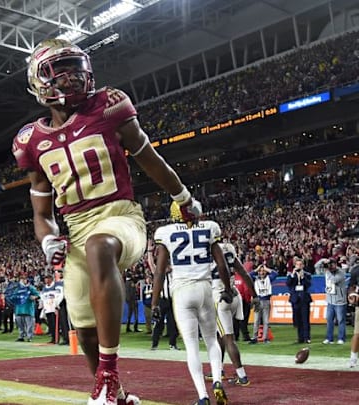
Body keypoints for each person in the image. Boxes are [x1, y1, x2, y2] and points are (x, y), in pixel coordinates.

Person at [13, 38, 202, 405]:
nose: (72, 75)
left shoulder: (109, 106)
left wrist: (183, 197)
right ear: (39, 81)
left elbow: (148, 157)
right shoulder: (30, 141)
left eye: (75, 66)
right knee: (83, 328)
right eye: (59, 69)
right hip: (76, 229)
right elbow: (42, 214)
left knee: (100, 246)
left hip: (120, 216)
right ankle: (115, 395)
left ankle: (108, 374)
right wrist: (49, 241)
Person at [151, 204, 233, 405]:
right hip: (205, 288)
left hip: (182, 291)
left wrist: (154, 303)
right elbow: (222, 265)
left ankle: (203, 397)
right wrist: (228, 290)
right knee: (212, 340)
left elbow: (160, 272)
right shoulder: (209, 227)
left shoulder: (166, 232)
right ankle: (216, 381)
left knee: (192, 347)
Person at [209, 242, 257, 386]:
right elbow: (243, 272)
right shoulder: (228, 247)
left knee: (229, 338)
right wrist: (255, 295)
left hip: (221, 296)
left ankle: (242, 376)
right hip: (236, 297)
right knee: (221, 335)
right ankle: (218, 370)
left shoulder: (204, 251)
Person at [316, 257, 347, 345]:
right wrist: (323, 260)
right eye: (329, 265)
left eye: (332, 264)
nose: (330, 266)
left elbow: (333, 280)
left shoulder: (341, 272)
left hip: (340, 301)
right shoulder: (328, 271)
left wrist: (327, 271)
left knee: (340, 320)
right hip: (330, 300)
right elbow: (316, 267)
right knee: (329, 320)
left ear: (335, 264)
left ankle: (341, 338)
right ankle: (329, 338)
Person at [248, 264, 277, 344]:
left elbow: (275, 274)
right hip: (258, 300)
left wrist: (266, 268)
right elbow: (249, 275)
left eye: (263, 271)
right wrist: (256, 269)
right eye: (260, 271)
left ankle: (265, 338)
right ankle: (254, 338)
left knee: (266, 321)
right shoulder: (255, 279)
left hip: (266, 300)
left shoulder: (269, 278)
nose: (262, 272)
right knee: (256, 320)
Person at [287, 257, 313, 344]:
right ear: (295, 265)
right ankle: (300, 338)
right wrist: (292, 274)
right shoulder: (291, 275)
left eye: (301, 264)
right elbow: (288, 284)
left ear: (303, 265)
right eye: (297, 264)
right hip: (295, 299)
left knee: (305, 319)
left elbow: (308, 285)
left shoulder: (307, 275)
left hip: (304, 299)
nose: (299, 266)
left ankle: (307, 337)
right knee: (297, 319)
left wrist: (302, 277)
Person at [347, 256, 359, 368]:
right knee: (357, 333)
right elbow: (351, 286)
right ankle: (353, 358)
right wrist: (352, 295)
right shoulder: (356, 270)